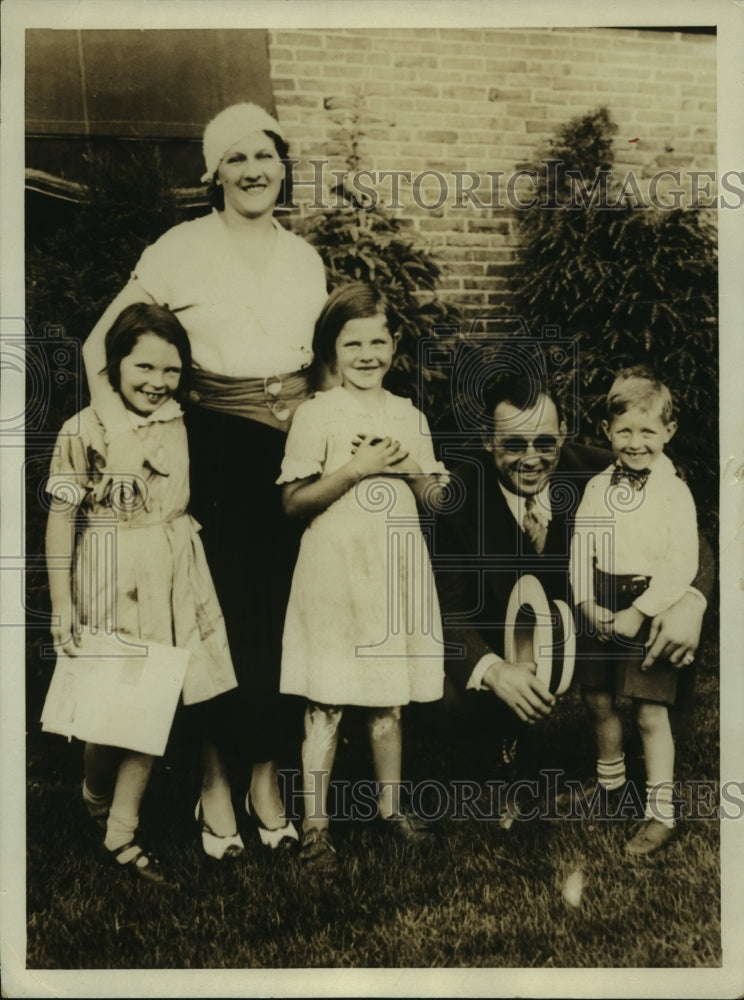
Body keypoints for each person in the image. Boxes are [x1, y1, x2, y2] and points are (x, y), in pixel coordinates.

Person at [82, 103, 328, 849]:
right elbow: (99, 346)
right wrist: (124, 434)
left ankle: (264, 779)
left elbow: (319, 364)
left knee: (285, 616)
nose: (253, 171)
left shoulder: (304, 258)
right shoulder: (180, 247)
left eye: (265, 156)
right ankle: (215, 784)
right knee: (221, 618)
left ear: (282, 166)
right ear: (213, 173)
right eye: (235, 158)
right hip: (218, 447)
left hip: (295, 454)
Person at [429, 371, 710, 811]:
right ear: (487, 439)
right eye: (513, 444)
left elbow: (693, 540)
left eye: (544, 442)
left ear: (562, 432)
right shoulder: (456, 500)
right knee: (446, 694)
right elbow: (447, 610)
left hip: (597, 626)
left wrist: (691, 602)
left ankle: (649, 744)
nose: (531, 458)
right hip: (510, 642)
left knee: (673, 622)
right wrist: (494, 670)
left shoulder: (604, 471)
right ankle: (496, 739)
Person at [45, 303, 242, 882]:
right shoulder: (84, 430)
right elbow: (60, 517)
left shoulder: (180, 421)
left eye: (171, 369)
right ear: (114, 365)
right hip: (111, 572)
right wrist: (62, 603)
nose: (158, 382)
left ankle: (121, 831)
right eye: (144, 367)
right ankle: (95, 793)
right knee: (112, 701)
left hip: (175, 567)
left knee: (156, 699)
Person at [278, 283, 447, 869]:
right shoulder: (316, 415)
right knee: (326, 697)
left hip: (393, 568)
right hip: (334, 571)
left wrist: (410, 465)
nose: (367, 355)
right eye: (353, 344)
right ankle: (315, 825)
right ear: (332, 349)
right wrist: (358, 468)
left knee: (388, 694)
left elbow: (435, 500)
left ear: (394, 344)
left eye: (378, 342)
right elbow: (292, 503)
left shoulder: (408, 415)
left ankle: (390, 808)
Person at [569, 367, 699, 857]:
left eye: (648, 431)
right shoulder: (597, 486)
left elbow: (682, 563)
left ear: (668, 431)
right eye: (624, 430)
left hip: (650, 602)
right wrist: (586, 602)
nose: (636, 442)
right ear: (607, 431)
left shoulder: (674, 491)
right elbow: (581, 548)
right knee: (597, 698)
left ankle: (661, 812)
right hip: (601, 600)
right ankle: (611, 785)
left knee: (648, 711)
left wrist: (640, 612)